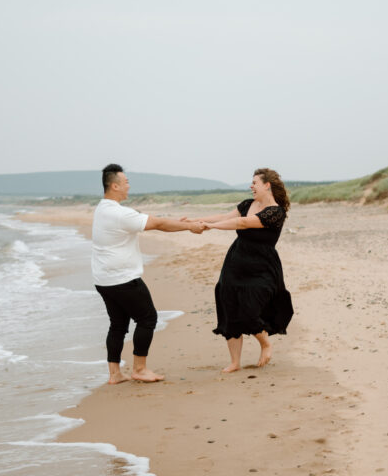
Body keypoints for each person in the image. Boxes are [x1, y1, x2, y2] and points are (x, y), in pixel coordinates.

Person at [92, 163, 205, 384]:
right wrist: (190, 227)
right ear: (115, 186)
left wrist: (178, 223)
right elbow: (159, 224)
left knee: (118, 325)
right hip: (123, 279)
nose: (128, 186)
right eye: (126, 182)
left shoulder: (103, 208)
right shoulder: (119, 213)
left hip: (104, 279)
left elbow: (154, 221)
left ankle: (115, 374)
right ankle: (140, 369)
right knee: (147, 318)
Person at [184, 168, 294, 373]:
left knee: (250, 307)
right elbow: (226, 216)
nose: (251, 186)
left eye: (255, 183)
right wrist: (195, 220)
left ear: (267, 185)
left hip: (262, 265)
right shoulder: (247, 204)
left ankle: (265, 343)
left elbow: (242, 223)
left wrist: (209, 226)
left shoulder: (275, 212)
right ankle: (235, 362)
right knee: (229, 306)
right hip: (236, 260)